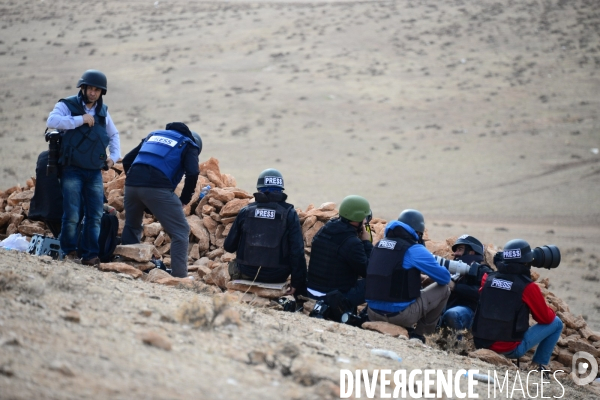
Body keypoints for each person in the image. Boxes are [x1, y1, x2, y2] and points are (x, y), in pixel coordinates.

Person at [46, 69, 121, 266]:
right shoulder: (67, 105)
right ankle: (68, 252)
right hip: (71, 169)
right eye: (90, 88)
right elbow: (52, 121)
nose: (93, 93)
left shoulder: (103, 112)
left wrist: (113, 157)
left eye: (97, 90)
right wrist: (80, 120)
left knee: (95, 215)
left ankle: (90, 255)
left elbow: (114, 135)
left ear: (101, 92)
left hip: (94, 170)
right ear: (83, 88)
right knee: (72, 213)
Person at [121, 122, 201, 278]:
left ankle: (127, 266)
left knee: (132, 225)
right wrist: (184, 198)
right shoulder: (189, 144)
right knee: (180, 231)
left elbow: (127, 160)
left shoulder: (153, 136)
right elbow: (193, 173)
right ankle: (180, 277)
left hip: (131, 185)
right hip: (157, 187)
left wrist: (135, 181)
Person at [472, 239, 563, 372]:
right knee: (556, 323)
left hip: (480, 342)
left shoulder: (487, 278)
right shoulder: (528, 287)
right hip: (509, 349)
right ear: (527, 262)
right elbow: (545, 319)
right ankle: (539, 366)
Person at [365, 209, 451, 343]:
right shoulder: (414, 249)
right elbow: (444, 278)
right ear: (418, 232)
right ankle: (422, 335)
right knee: (444, 289)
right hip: (400, 316)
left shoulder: (379, 245)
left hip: (372, 313)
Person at [224, 168, 306, 297]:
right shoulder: (289, 213)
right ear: (281, 189)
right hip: (277, 276)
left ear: (259, 189)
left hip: (246, 272)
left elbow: (229, 246)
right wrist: (297, 283)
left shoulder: (246, 211)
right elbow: (297, 252)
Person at [306, 195, 373, 312]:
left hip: (311, 291)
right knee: (376, 282)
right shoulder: (352, 242)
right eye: (365, 218)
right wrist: (366, 242)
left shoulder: (326, 229)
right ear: (358, 219)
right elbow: (368, 271)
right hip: (332, 297)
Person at [438, 235, 493, 332]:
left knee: (452, 314)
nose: (455, 253)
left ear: (471, 252)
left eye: (460, 249)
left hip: (469, 310)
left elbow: (485, 293)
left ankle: (458, 345)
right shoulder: (454, 270)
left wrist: (456, 287)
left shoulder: (483, 271)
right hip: (448, 306)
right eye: (455, 250)